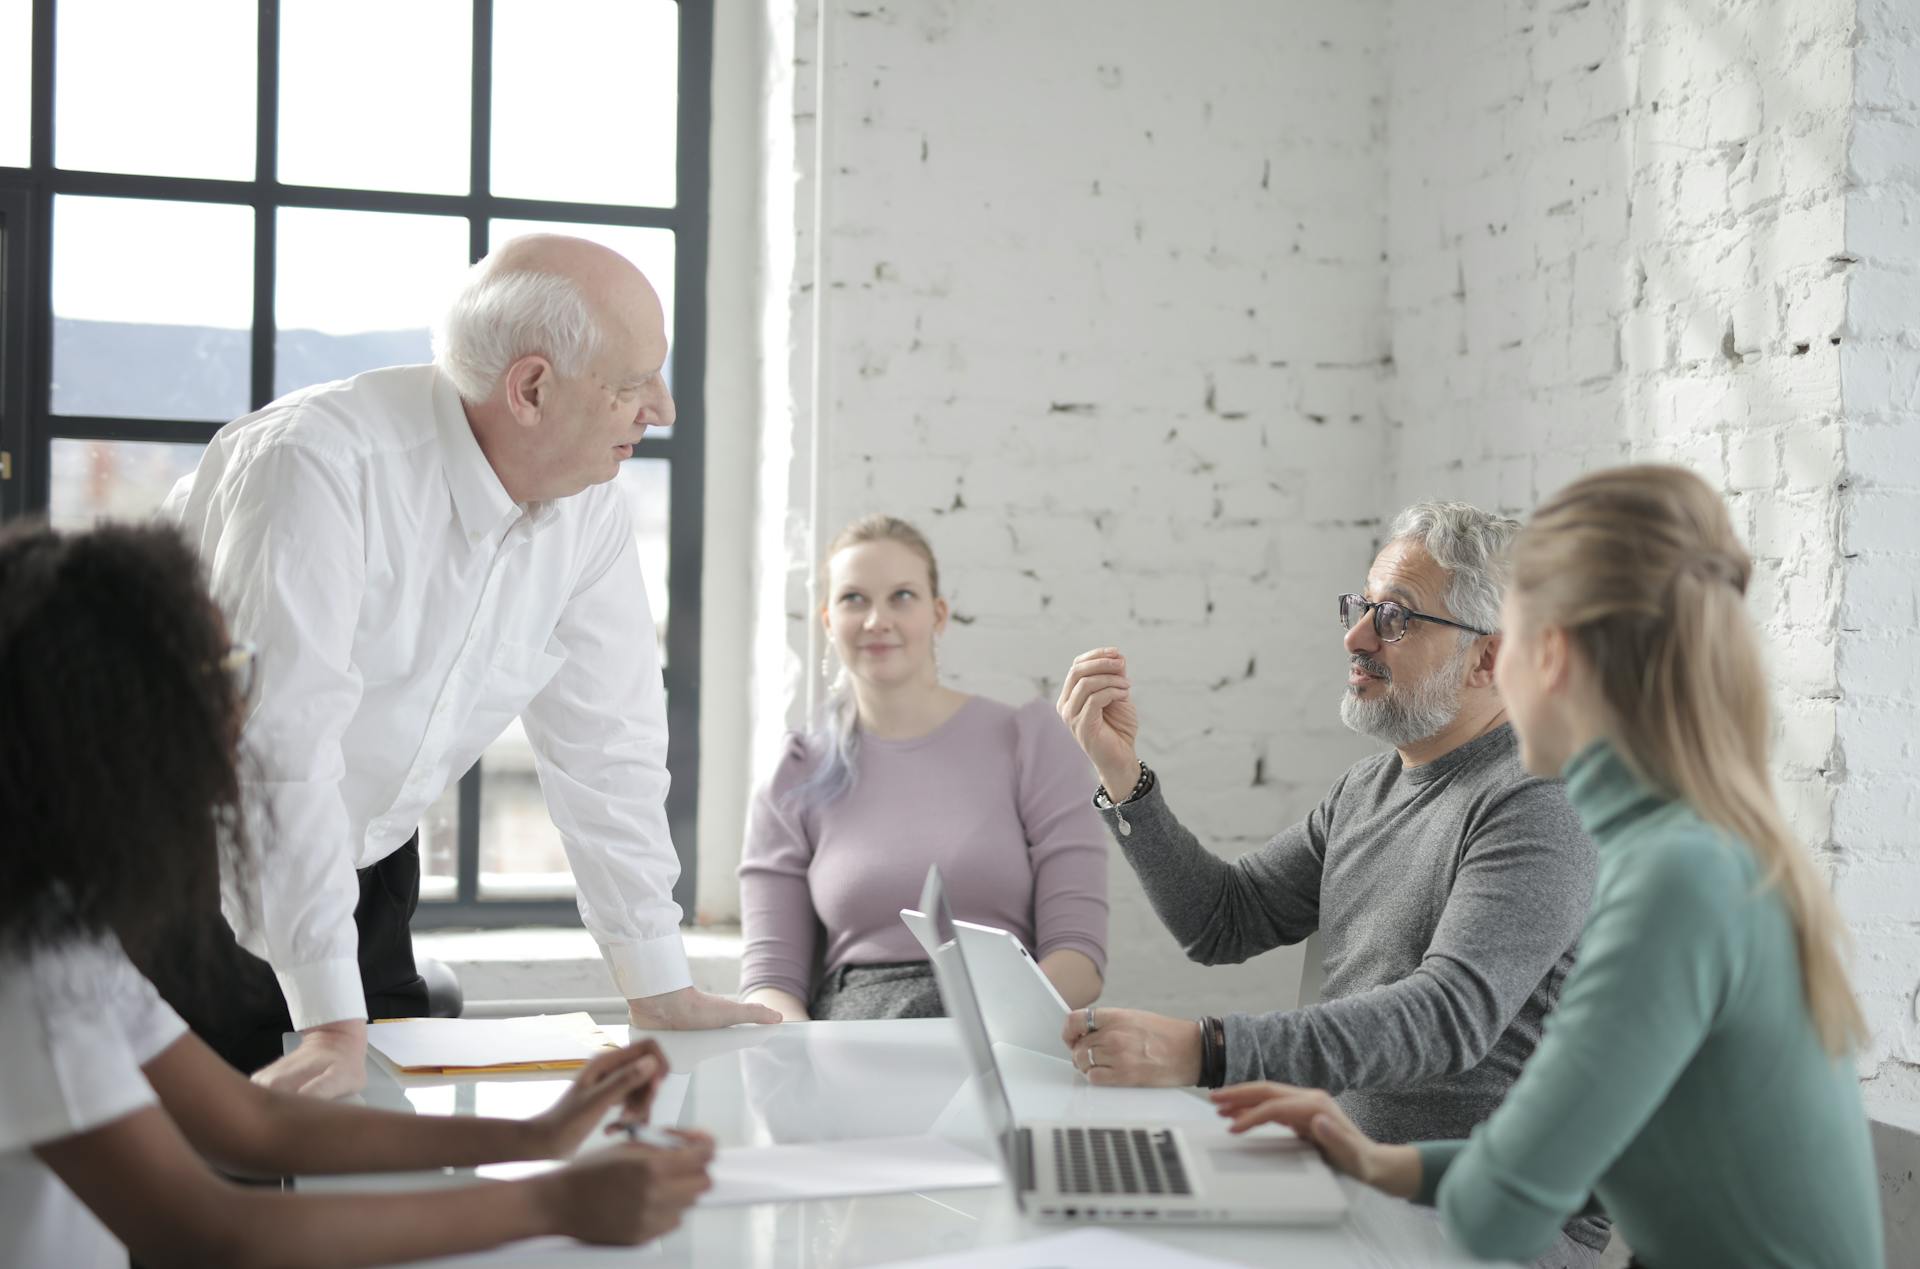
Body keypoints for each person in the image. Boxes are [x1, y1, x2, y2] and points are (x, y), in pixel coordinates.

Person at [1212, 466, 1884, 1268]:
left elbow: (1502, 1210)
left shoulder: (1673, 882)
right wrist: (1372, 1159)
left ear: (1550, 656)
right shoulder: (1696, 849)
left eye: (1508, 644)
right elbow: (1574, 1155)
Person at [0, 521, 715, 1268]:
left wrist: (537, 1135)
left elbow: (250, 1123)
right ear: (112, 721)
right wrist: (550, 1201)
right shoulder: (27, 976)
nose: (243, 712)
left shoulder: (56, 927)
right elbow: (210, 1230)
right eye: (228, 674)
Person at [162, 235, 777, 1099]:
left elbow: (611, 748)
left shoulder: (587, 503)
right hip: (188, 860)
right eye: (634, 383)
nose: (663, 408)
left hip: (368, 861)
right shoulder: (316, 466)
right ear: (531, 388)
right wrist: (334, 1024)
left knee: (387, 1160)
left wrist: (659, 985)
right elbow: (277, 759)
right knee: (214, 1188)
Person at [1056, 501, 1606, 1268]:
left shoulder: (1540, 799)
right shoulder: (1369, 787)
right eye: (1362, 607)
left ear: (1489, 659)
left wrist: (1207, 1050)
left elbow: (1449, 1015)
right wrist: (1124, 779)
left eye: (1396, 619)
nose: (1355, 637)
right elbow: (1221, 919)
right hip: (1349, 1177)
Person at [738, 515, 1108, 1021]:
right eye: (854, 599)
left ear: (938, 615)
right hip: (854, 1038)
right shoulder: (797, 769)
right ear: (828, 621)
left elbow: (1079, 959)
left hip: (1005, 1025)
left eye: (902, 597)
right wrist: (807, 1065)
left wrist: (987, 1032)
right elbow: (770, 980)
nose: (876, 620)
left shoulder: (1029, 742)